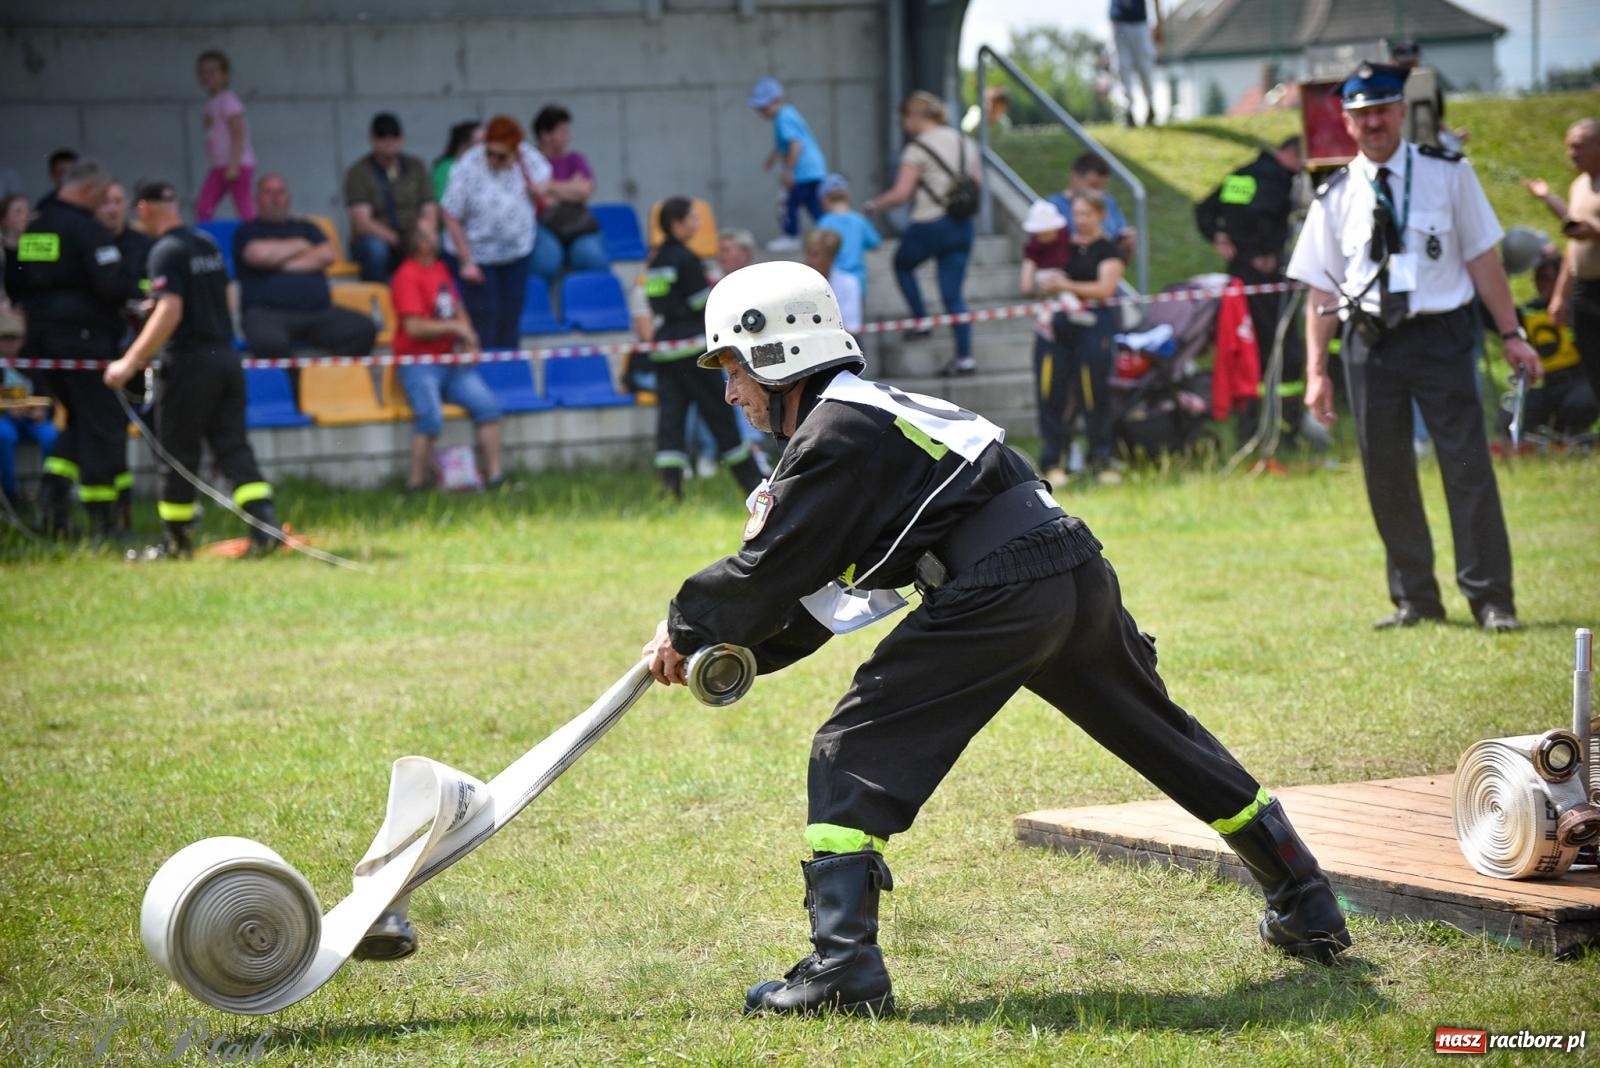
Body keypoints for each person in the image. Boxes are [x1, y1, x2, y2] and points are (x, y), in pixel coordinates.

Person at [642, 259, 1351, 1017]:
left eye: (734, 370)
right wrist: (732, 654)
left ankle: (843, 970)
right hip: (1067, 565)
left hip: (999, 587)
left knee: (850, 751)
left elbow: (766, 571)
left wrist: (687, 625)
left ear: (778, 353)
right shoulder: (868, 417)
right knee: (1162, 737)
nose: (729, 392)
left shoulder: (832, 437)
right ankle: (1305, 901)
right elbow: (826, 600)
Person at [1285, 63, 1542, 633]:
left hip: (1441, 334)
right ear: (1348, 122)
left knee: (1467, 465)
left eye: (1382, 109)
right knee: (1387, 471)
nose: (1373, 122)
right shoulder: (1333, 193)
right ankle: (1415, 598)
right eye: (1361, 113)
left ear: (1402, 111)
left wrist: (1511, 334)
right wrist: (1315, 373)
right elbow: (1320, 290)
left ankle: (1491, 598)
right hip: (1369, 341)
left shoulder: (1449, 173)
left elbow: (1482, 258)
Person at [102, 180, 280, 558]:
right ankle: (265, 528)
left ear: (145, 208)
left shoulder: (164, 251)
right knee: (232, 445)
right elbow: (228, 294)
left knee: (177, 454)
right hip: (225, 356)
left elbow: (171, 310)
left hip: (189, 362)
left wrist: (129, 362)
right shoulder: (206, 244)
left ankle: (176, 544)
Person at [3, 158, 143, 539]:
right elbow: (112, 285)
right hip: (84, 343)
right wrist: (143, 292)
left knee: (81, 421)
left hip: (43, 346)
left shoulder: (37, 223)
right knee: (102, 426)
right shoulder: (85, 228)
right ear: (86, 190)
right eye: (100, 197)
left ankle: (53, 499)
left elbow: (18, 281)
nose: (102, 206)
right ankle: (103, 523)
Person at [643, 196, 763, 499]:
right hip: (692, 350)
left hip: (665, 349)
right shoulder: (686, 258)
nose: (697, 224)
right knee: (719, 415)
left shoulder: (656, 262)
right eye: (692, 218)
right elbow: (701, 303)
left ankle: (670, 489)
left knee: (671, 418)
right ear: (676, 224)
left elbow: (656, 300)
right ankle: (752, 482)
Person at [864, 91, 982, 377]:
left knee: (902, 264)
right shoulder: (965, 142)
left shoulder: (916, 149)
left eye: (905, 118)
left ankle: (921, 320)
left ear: (916, 116)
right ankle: (965, 357)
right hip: (962, 225)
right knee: (953, 295)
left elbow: (902, 194)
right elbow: (977, 183)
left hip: (930, 223)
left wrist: (873, 205)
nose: (904, 125)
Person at [1194, 135, 1305, 438]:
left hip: (1240, 274)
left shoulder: (1243, 176)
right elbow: (1261, 216)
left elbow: (1207, 209)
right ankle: (1287, 426)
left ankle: (1250, 425)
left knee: (1248, 348)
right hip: (1265, 276)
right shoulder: (1275, 180)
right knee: (1283, 348)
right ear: (1292, 154)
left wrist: (1218, 235)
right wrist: (1263, 252)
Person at [388, 219, 506, 493]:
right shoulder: (406, 276)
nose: (437, 235)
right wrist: (455, 327)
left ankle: (497, 477)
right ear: (421, 244)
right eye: (431, 232)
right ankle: (414, 484)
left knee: (488, 407)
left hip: (449, 360)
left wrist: (469, 337)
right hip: (418, 363)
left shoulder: (440, 268)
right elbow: (414, 328)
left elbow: (456, 306)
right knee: (430, 417)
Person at [235, 174, 377, 370]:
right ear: (257, 199)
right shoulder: (246, 231)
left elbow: (327, 255)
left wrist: (277, 262)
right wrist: (301, 245)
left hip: (317, 312)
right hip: (266, 313)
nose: (275, 198)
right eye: (268, 192)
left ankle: (327, 384)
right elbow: (257, 255)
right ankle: (295, 389)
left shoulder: (307, 227)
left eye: (280, 192)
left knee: (362, 328)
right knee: (268, 342)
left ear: (289, 198)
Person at [440, 115, 549, 353]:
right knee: (484, 320)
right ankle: (486, 378)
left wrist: (537, 190)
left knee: (511, 318)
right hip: (478, 257)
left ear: (515, 152)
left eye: (501, 156)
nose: (493, 160)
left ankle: (509, 377)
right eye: (489, 152)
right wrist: (466, 260)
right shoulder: (468, 166)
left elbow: (545, 184)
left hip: (516, 253)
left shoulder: (528, 159)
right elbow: (450, 214)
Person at [1019, 197, 1092, 483]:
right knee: (1052, 396)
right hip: (1052, 329)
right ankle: (1054, 458)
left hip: (1079, 331)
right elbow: (1026, 285)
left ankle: (1084, 453)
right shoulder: (1034, 250)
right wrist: (1041, 284)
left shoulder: (1070, 244)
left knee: (1079, 398)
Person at [1503, 249, 1597, 442]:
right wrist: (1506, 267)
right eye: (1538, 279)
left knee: (1580, 402)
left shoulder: (1579, 308)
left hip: (1579, 379)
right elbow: (1491, 314)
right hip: (1546, 382)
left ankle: (1571, 437)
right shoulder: (1528, 310)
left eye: (1547, 279)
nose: (1542, 284)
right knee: (1511, 411)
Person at [343, 112, 437, 283]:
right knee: (376, 250)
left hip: (412, 234)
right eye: (382, 135)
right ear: (372, 138)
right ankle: (378, 301)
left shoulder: (416, 166)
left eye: (394, 135)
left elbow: (428, 207)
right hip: (376, 236)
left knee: (439, 245)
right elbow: (362, 222)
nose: (389, 141)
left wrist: (426, 232)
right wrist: (393, 238)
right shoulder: (358, 172)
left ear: (402, 138)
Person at [1548, 118, 1600, 405]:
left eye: (1579, 146)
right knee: (1593, 367)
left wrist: (1594, 231)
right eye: (1569, 147)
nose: (1572, 153)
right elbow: (1572, 246)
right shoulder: (1578, 186)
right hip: (1584, 290)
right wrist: (1560, 295)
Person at [530, 104, 610, 282]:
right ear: (545, 135)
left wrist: (549, 186)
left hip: (576, 224)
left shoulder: (575, 159)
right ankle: (541, 308)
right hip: (541, 224)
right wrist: (570, 187)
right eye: (562, 132)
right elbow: (539, 198)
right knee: (546, 261)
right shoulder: (531, 160)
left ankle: (597, 307)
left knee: (592, 257)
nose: (568, 137)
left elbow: (585, 191)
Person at [748, 78, 828, 253]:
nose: (762, 112)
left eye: (764, 107)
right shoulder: (788, 114)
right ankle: (830, 232)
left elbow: (795, 144)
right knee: (813, 204)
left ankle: (791, 236)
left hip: (803, 170)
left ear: (776, 101)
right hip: (814, 169)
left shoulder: (783, 117)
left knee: (787, 202)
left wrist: (789, 171)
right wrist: (772, 158)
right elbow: (782, 144)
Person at [0, 308, 58, 516]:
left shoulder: (30, 364)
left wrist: (42, 411)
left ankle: (50, 494)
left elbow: (47, 396)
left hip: (31, 420)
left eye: (13, 338)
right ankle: (10, 495)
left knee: (51, 435)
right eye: (4, 338)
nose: (9, 344)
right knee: (4, 436)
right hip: (4, 420)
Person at [194, 50, 256, 222]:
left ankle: (255, 234)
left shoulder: (228, 100)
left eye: (213, 72)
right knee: (203, 207)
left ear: (224, 74)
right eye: (204, 72)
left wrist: (234, 164)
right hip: (219, 165)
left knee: (244, 207)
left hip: (236, 164)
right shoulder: (211, 102)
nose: (208, 77)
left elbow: (239, 134)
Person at [1050, 152, 1136, 262]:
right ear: (1075, 176)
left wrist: (1127, 244)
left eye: (1102, 187)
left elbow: (1119, 235)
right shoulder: (1052, 207)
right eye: (1093, 185)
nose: (1098, 193)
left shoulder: (1107, 202)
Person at [815, 173, 880, 302]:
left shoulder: (823, 223)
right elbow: (875, 243)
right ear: (848, 197)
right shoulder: (859, 221)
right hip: (857, 281)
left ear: (824, 200)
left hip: (832, 283)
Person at [1109, 0, 1162, 128]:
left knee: (1144, 66)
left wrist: (1159, 22)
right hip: (1119, 22)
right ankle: (1128, 111)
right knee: (1122, 67)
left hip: (1139, 22)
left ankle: (1150, 105)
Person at [803, 228, 861, 332]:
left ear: (831, 257)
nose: (809, 260)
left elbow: (852, 327)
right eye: (807, 254)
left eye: (815, 255)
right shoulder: (797, 284)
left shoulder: (848, 283)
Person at [433, 121, 482, 201]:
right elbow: (442, 201)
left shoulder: (483, 167)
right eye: (480, 142)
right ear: (463, 144)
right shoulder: (446, 167)